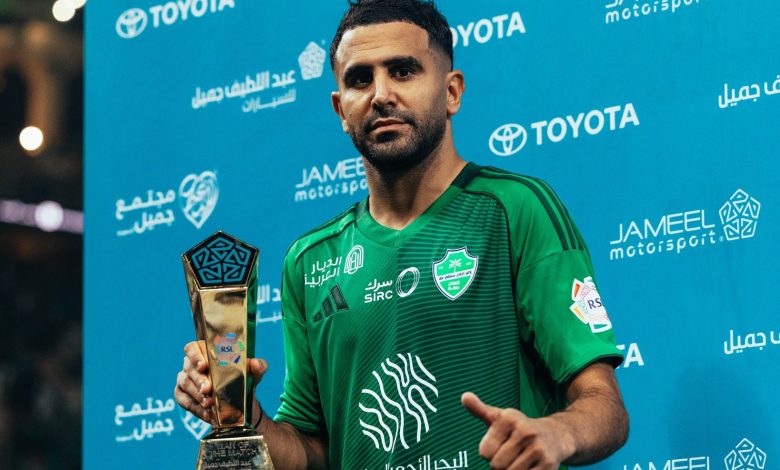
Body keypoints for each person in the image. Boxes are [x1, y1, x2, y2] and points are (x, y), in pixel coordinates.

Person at [174, 1, 629, 468]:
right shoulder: (309, 260)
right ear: (340, 109)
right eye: (359, 79)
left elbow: (605, 406)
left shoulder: (515, 209)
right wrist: (241, 412)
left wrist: (556, 432)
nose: (381, 95)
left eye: (403, 71)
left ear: (451, 92)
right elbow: (312, 451)